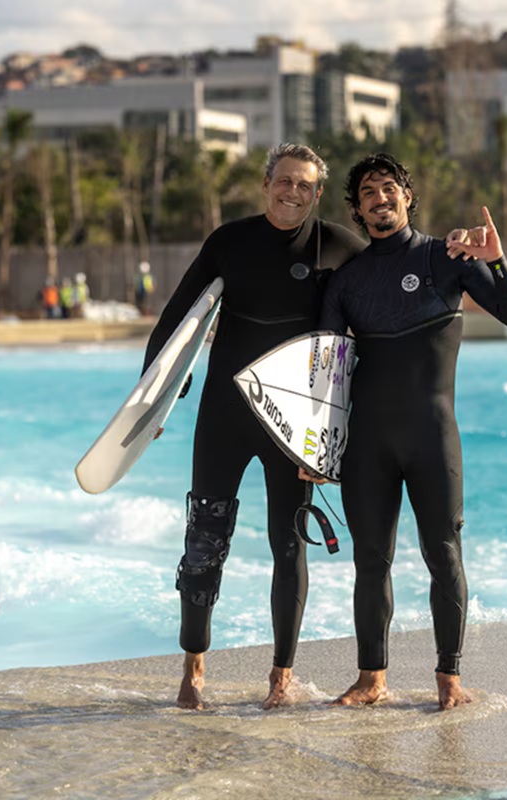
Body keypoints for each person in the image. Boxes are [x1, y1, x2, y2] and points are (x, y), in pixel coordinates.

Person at [143, 143, 366, 710]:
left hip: (294, 422)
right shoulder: (230, 240)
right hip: (224, 412)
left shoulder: (337, 244)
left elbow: (388, 280)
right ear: (266, 184)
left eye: (305, 186)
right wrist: (155, 393)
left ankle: (281, 675)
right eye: (284, 181)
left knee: (289, 547)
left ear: (318, 193)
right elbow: (179, 313)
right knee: (203, 543)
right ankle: (193, 666)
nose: (293, 192)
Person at [310, 153, 507, 710]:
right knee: (370, 560)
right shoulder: (346, 283)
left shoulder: (446, 257)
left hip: (433, 437)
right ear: (357, 211)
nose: (379, 199)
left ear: (408, 197)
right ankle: (371, 679)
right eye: (367, 194)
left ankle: (449, 679)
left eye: (389, 189)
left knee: (444, 553)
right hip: (367, 443)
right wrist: (314, 449)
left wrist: (497, 261)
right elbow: (328, 374)